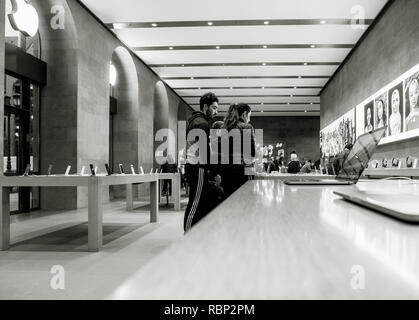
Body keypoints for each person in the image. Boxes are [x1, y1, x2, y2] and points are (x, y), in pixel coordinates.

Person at [184, 92, 219, 232]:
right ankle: (187, 233)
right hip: (197, 167)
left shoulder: (194, 120)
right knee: (195, 202)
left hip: (194, 166)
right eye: (214, 108)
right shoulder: (202, 123)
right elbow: (205, 151)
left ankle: (194, 232)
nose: (216, 111)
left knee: (198, 201)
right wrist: (214, 171)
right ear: (205, 106)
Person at [221, 103, 255, 198]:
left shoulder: (224, 128)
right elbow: (251, 152)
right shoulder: (247, 127)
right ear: (244, 114)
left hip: (226, 170)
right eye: (249, 116)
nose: (249, 119)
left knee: (228, 199)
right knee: (246, 199)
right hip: (244, 169)